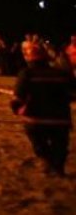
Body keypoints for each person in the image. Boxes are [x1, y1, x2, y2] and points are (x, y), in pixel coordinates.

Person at [10, 41, 76, 176]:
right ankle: (58, 166)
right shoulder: (61, 73)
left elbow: (18, 98)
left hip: (35, 119)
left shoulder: (26, 73)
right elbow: (73, 93)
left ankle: (48, 161)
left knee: (38, 142)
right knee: (60, 144)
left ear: (28, 58)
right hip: (60, 119)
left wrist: (16, 109)